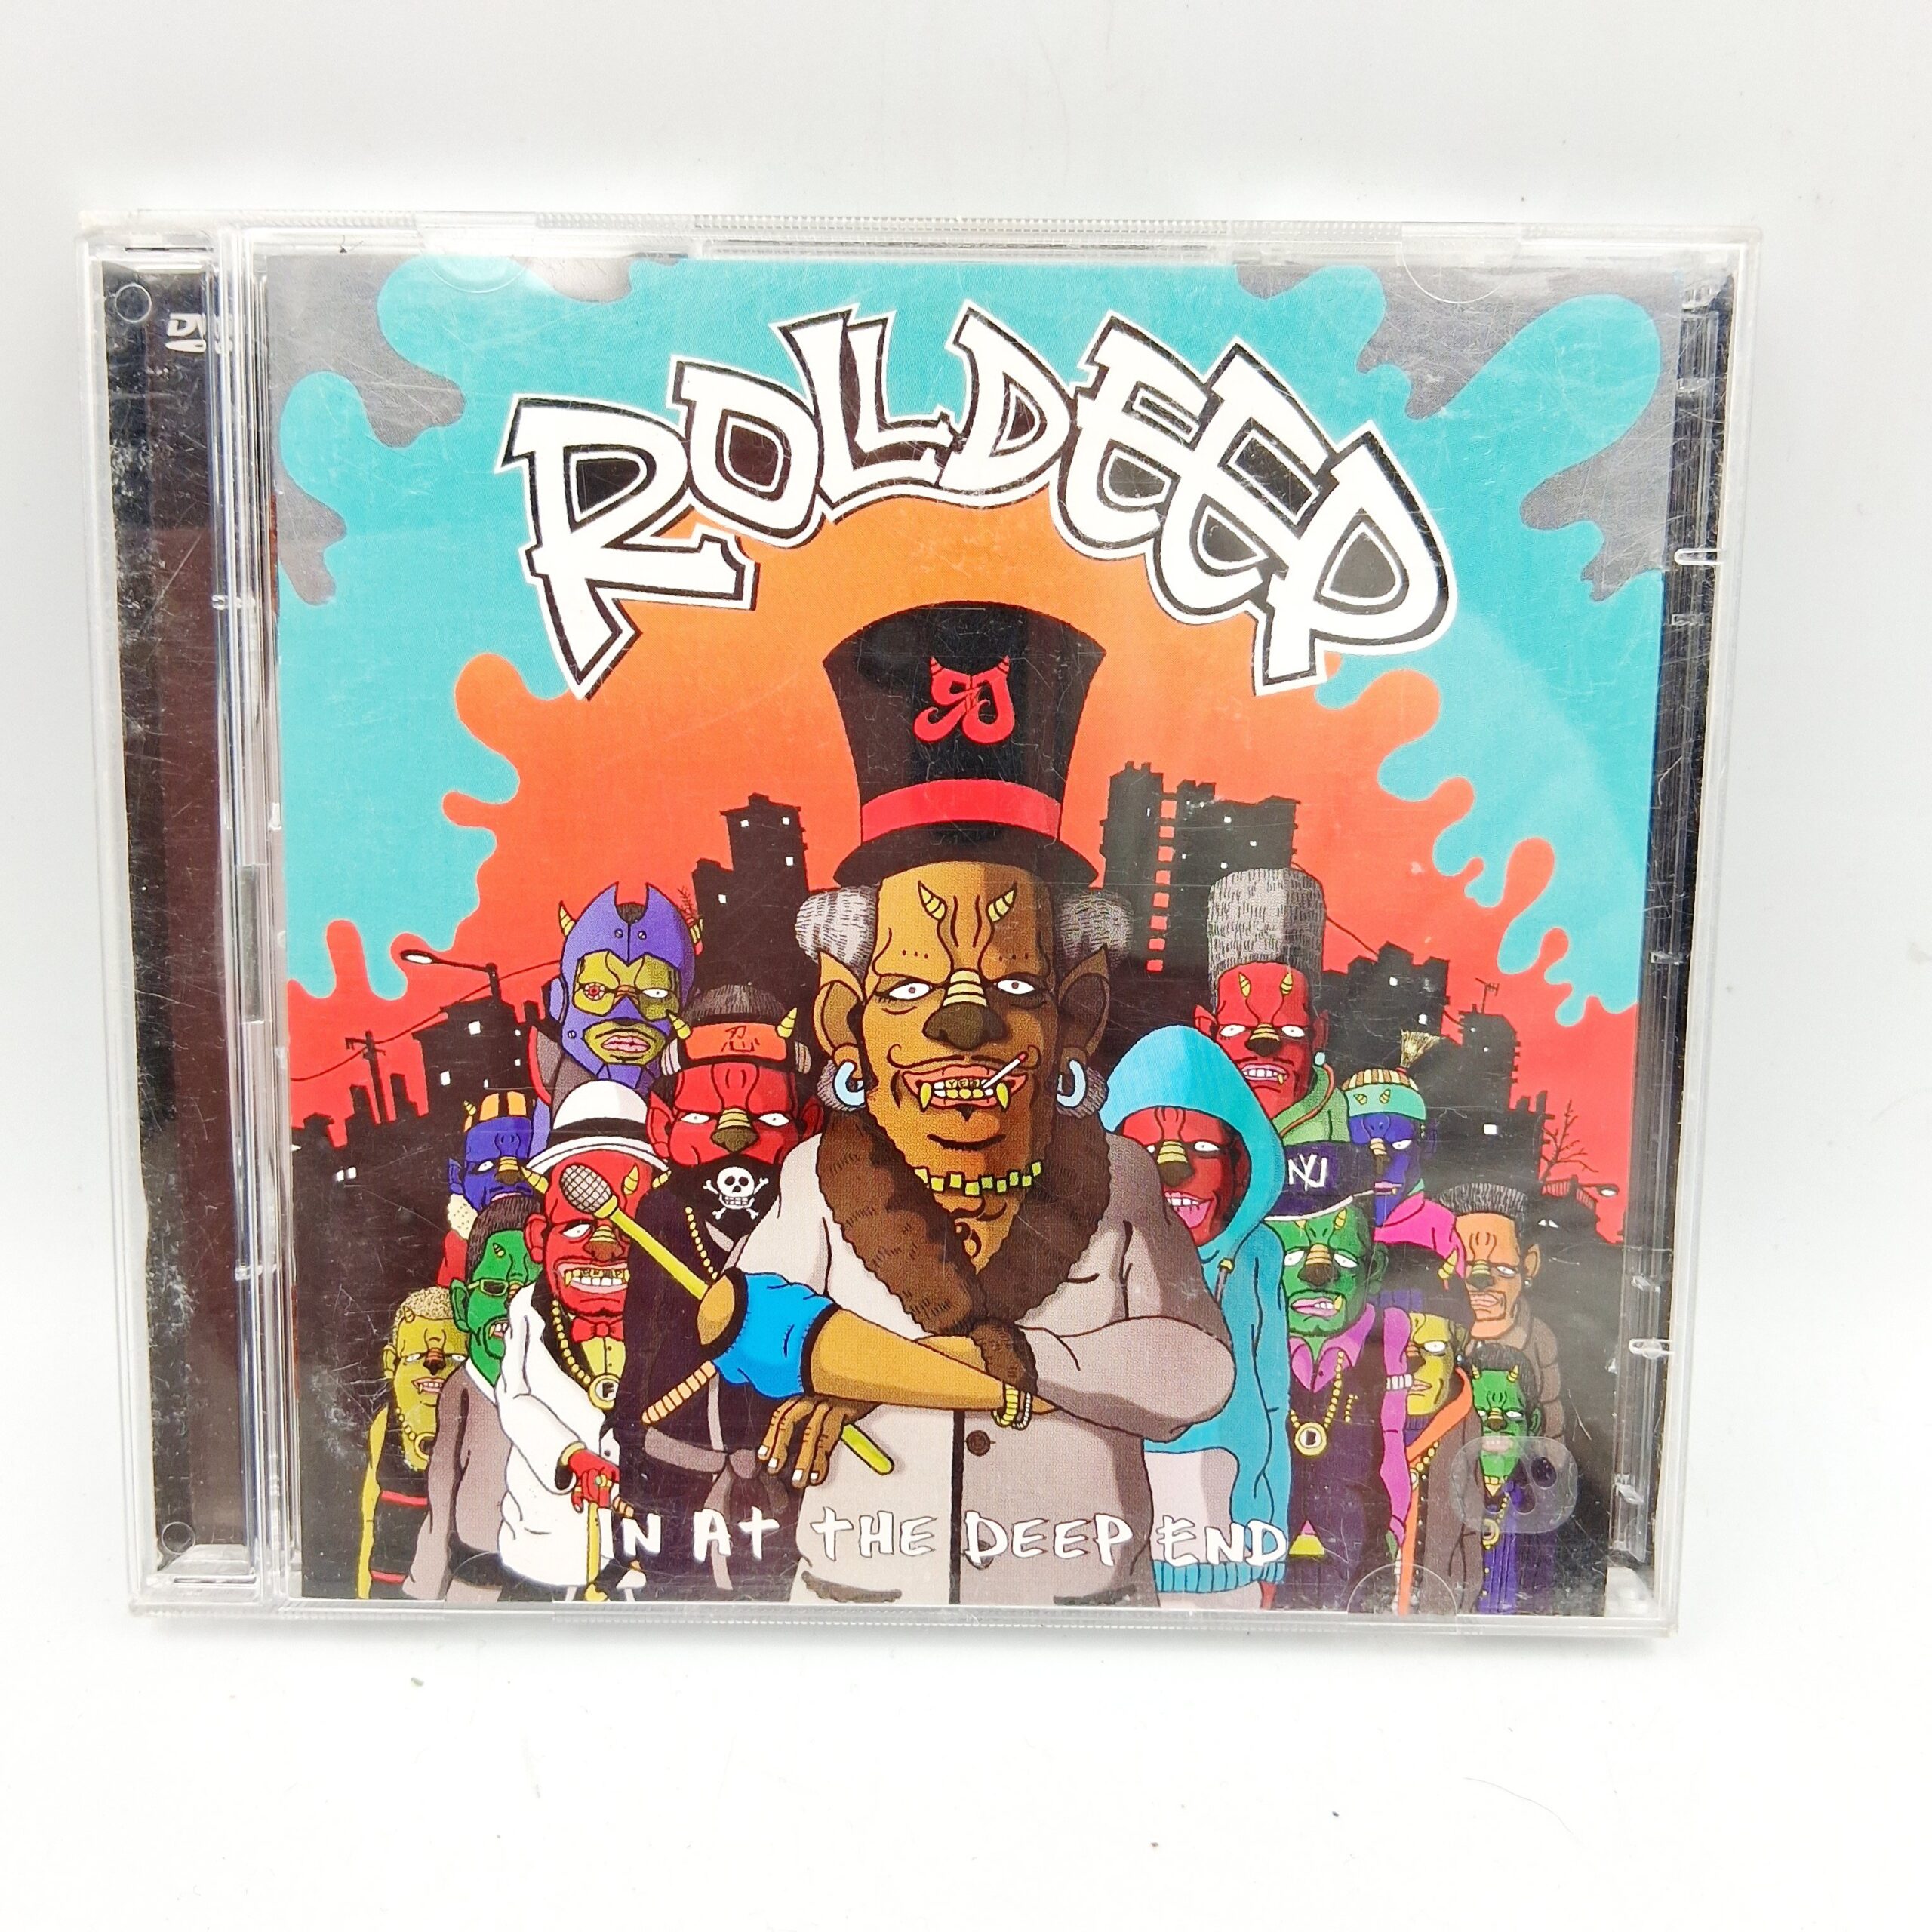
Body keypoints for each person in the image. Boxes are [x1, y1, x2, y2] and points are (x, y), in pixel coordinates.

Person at [742, 601, 1235, 1607]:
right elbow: (747, 1322)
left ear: (1076, 1014)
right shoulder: (818, 1180)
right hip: (855, 1624)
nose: (960, 1025)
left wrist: (999, 1362)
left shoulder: (1120, 1180)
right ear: (845, 1019)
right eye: (908, 989)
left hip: (1082, 1622)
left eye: (1012, 988)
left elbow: (1195, 1371)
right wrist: (888, 1372)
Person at [1104, 1025, 1289, 1606]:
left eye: (1204, 1150)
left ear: (1242, 1162)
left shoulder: (1258, 1255)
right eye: (1148, 1152)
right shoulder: (1094, 1255)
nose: (1175, 1168)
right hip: (1112, 1559)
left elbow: (1273, 1400)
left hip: (1226, 1566)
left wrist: (1270, 1548)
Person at [1265, 1195, 1410, 1611]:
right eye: (1293, 1256)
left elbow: (1392, 1437)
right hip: (1268, 1540)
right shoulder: (1255, 1342)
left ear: (1373, 1269)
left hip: (1359, 1542)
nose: (1317, 1273)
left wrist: (1394, 1526)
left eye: (1343, 1259)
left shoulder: (1385, 1343)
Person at [405, 1198, 535, 1601]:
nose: (511, 1307)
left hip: (548, 1582)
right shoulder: (462, 1388)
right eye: (495, 1289)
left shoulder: (561, 1388)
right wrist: (425, 1588)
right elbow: (441, 1492)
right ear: (463, 1304)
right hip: (475, 1579)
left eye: (529, 1291)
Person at [357, 1286, 466, 1598]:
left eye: (453, 1357)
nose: (434, 1364)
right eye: (416, 1356)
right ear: (392, 1363)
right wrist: (362, 1597)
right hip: (387, 1594)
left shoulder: (477, 1430)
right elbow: (368, 1517)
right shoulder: (382, 1428)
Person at [1440, 1181, 1564, 1441]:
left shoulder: (1540, 1342)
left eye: (1503, 1268)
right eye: (1465, 1266)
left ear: (1529, 1265)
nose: (1481, 1281)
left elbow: (1551, 1432)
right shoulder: (1434, 1334)